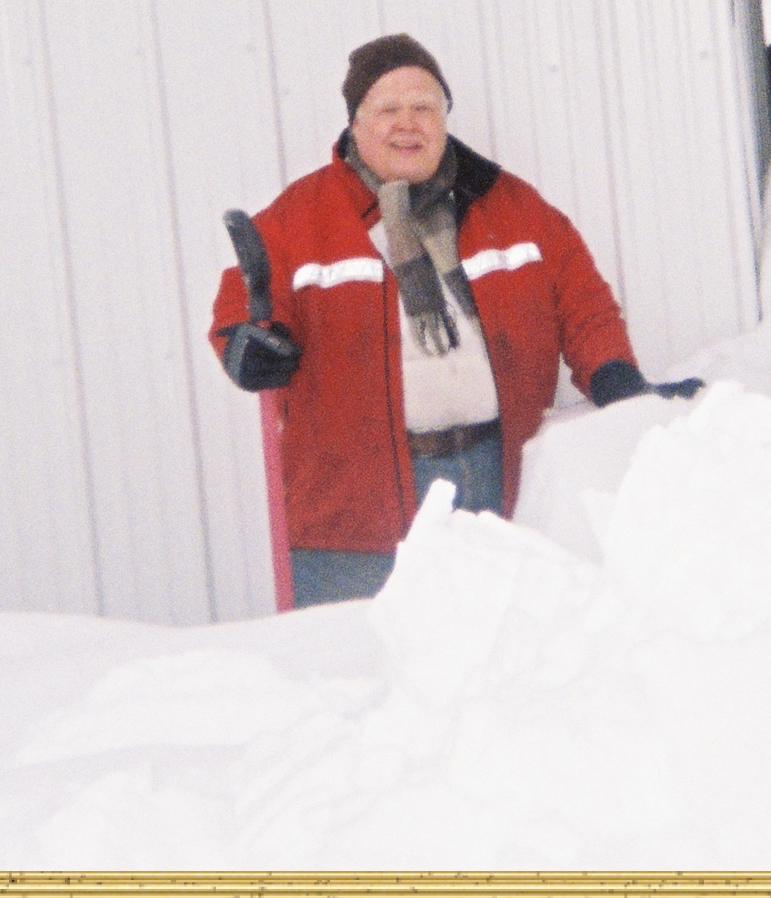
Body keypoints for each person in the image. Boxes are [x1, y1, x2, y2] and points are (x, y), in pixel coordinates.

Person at [211, 34, 700, 606]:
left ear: (445, 117)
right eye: (387, 109)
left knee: (504, 658)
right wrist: (250, 346)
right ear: (355, 124)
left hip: (497, 474)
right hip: (357, 514)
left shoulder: (508, 204)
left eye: (424, 107)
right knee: (364, 671)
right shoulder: (300, 217)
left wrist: (617, 378)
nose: (407, 124)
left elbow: (581, 302)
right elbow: (244, 308)